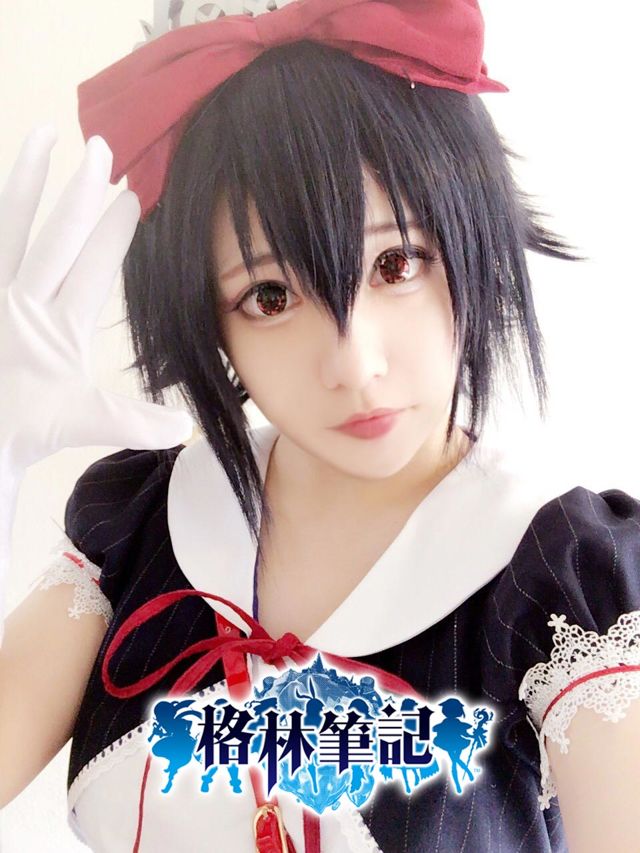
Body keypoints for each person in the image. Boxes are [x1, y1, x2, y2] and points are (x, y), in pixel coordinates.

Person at [1, 1, 639, 851]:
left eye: (396, 263)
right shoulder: (142, 524)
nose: (353, 362)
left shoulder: (561, 583)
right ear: (207, 317)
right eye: (270, 296)